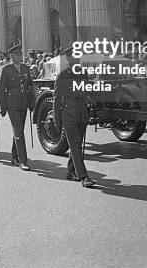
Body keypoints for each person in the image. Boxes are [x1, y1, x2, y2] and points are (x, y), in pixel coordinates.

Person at [53, 44, 96, 187]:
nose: (76, 58)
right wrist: (57, 120)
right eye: (73, 56)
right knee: (76, 146)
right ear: (68, 58)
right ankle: (84, 177)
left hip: (82, 112)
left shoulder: (83, 73)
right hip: (68, 113)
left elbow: (88, 91)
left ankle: (71, 171)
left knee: (76, 145)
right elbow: (57, 99)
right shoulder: (63, 75)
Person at [0, 45, 35, 171]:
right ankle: (22, 160)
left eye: (20, 54)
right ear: (11, 56)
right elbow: (1, 89)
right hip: (12, 104)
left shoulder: (25, 68)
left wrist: (32, 102)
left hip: (23, 102)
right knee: (19, 131)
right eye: (16, 55)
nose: (18, 57)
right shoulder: (6, 69)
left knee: (19, 131)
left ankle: (14, 156)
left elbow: (30, 86)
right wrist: (2, 107)